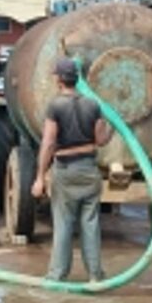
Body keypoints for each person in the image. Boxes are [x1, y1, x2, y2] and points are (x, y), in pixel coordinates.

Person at [31, 58, 112, 282]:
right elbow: (101, 139)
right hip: (89, 169)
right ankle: (95, 276)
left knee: (64, 224)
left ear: (59, 79)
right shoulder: (93, 105)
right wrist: (111, 128)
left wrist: (39, 177)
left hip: (65, 170)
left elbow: (48, 143)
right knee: (91, 225)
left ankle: (57, 275)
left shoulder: (55, 106)